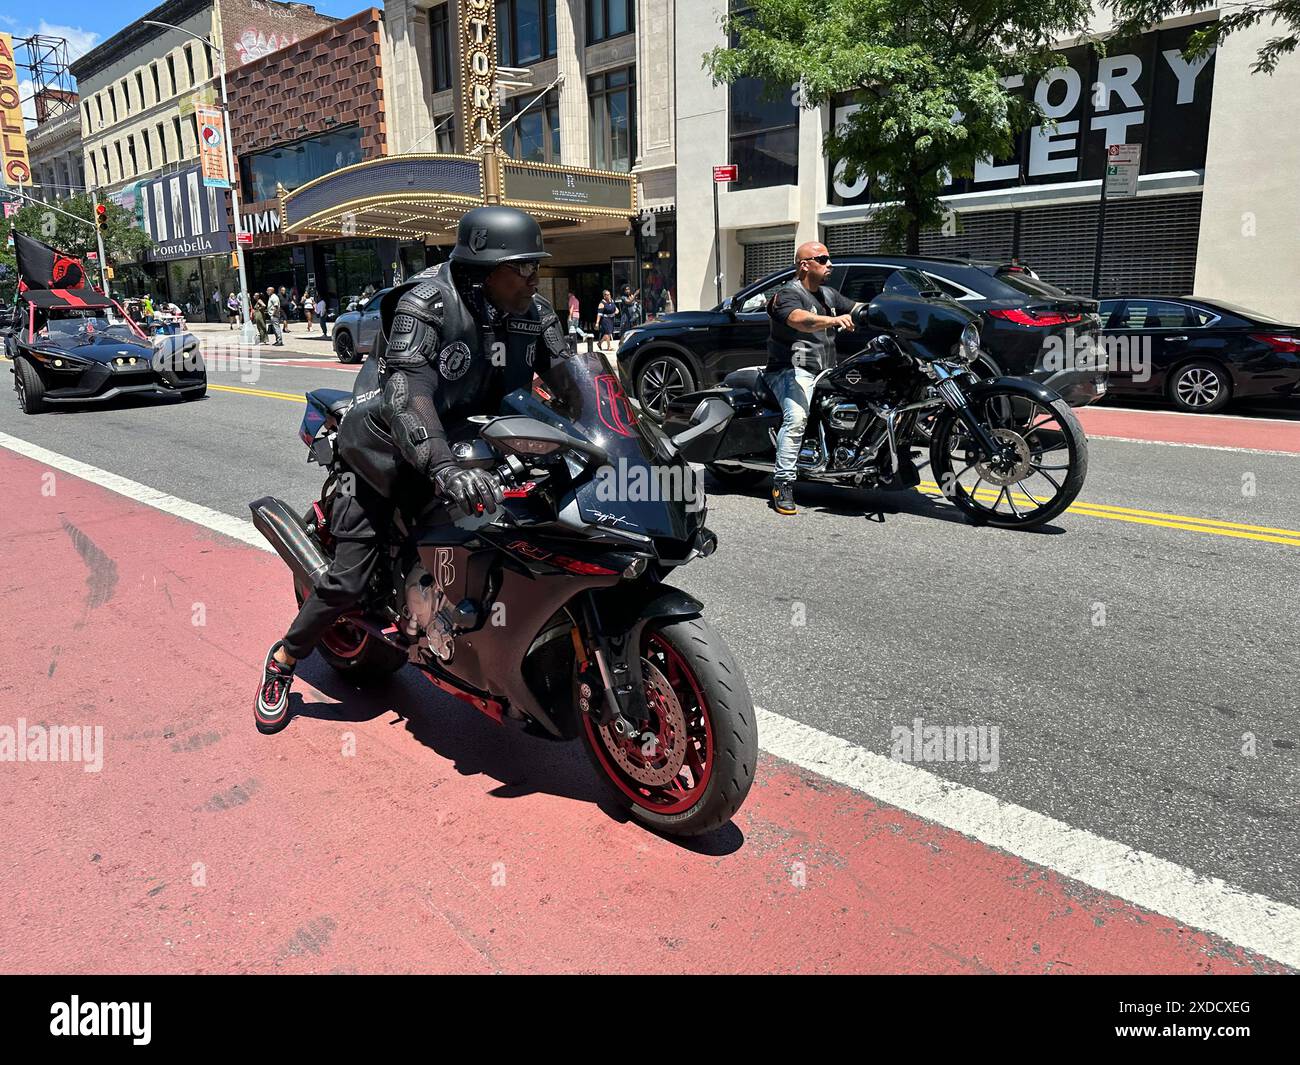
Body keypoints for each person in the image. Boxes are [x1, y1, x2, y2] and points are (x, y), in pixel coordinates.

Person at [255, 205, 568, 732]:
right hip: (385, 453)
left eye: (535, 265)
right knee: (348, 583)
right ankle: (284, 659)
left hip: (470, 444)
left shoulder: (532, 312)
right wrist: (442, 469)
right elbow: (408, 397)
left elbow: (572, 379)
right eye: (522, 266)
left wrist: (637, 435)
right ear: (483, 269)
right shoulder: (425, 304)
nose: (534, 276)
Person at [764, 241, 860, 516]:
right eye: (822, 258)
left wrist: (885, 310)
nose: (830, 263)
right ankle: (782, 483)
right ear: (804, 265)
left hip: (826, 370)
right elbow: (799, 320)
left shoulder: (829, 295)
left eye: (829, 258)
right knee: (796, 418)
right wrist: (833, 321)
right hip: (790, 370)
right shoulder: (786, 295)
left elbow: (857, 308)